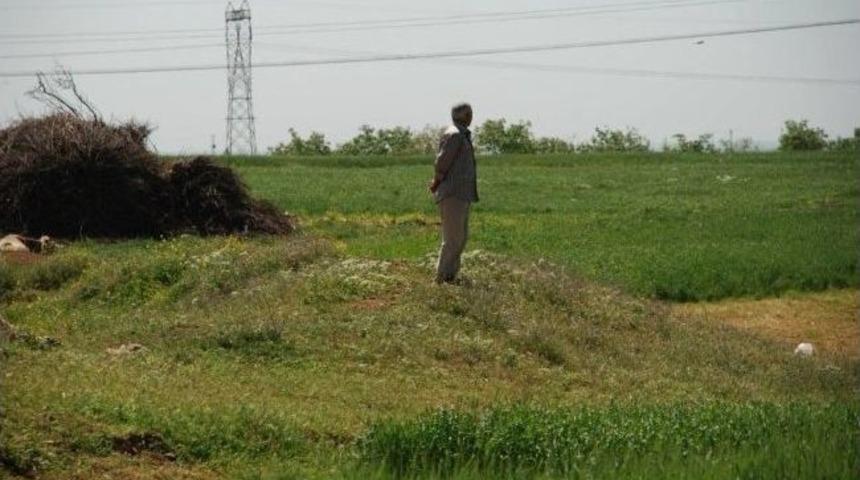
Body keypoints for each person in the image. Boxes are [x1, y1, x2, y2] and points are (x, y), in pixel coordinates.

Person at [429, 102, 478, 284]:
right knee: (452, 239)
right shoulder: (455, 135)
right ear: (463, 116)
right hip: (453, 193)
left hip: (462, 193)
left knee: (460, 238)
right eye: (469, 113)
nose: (472, 116)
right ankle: (442, 278)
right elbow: (442, 162)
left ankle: (451, 275)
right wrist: (436, 182)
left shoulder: (462, 134)